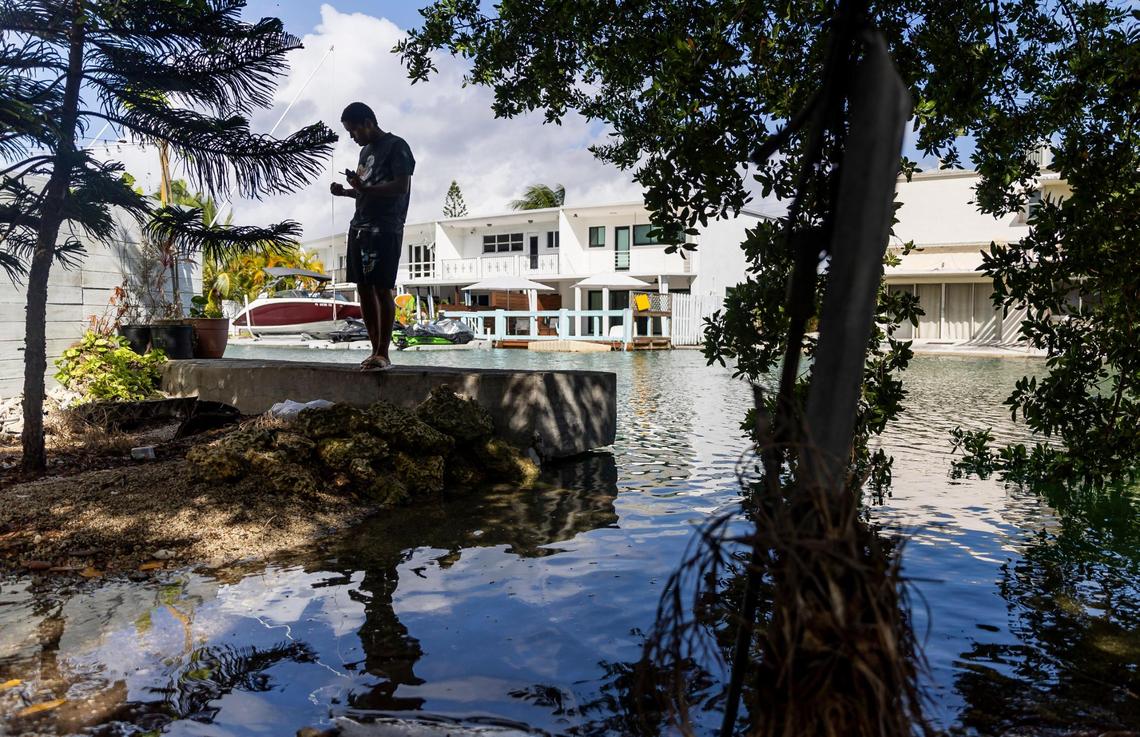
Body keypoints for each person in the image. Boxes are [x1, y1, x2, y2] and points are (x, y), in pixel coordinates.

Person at [330, 102, 415, 370]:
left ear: (368, 122)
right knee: (363, 289)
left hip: (385, 227)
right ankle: (373, 350)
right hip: (360, 227)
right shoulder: (365, 152)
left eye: (353, 130)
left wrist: (364, 187)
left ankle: (383, 352)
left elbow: (400, 187)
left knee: (381, 288)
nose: (352, 137)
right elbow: (366, 190)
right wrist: (347, 191)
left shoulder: (397, 146)